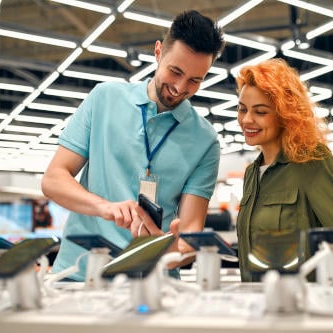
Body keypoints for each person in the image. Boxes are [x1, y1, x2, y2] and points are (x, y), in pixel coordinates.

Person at [41, 10, 225, 281]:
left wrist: (171, 247)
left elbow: (187, 239)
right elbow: (53, 180)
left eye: (195, 80)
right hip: (80, 274)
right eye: (175, 71)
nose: (180, 87)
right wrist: (103, 207)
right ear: (158, 52)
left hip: (153, 282)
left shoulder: (205, 140)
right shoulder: (104, 98)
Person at [235, 58, 333, 282]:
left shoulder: (309, 161)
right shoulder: (252, 173)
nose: (247, 119)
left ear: (284, 114)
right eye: (242, 109)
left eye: (260, 112)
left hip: (301, 307)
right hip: (257, 307)